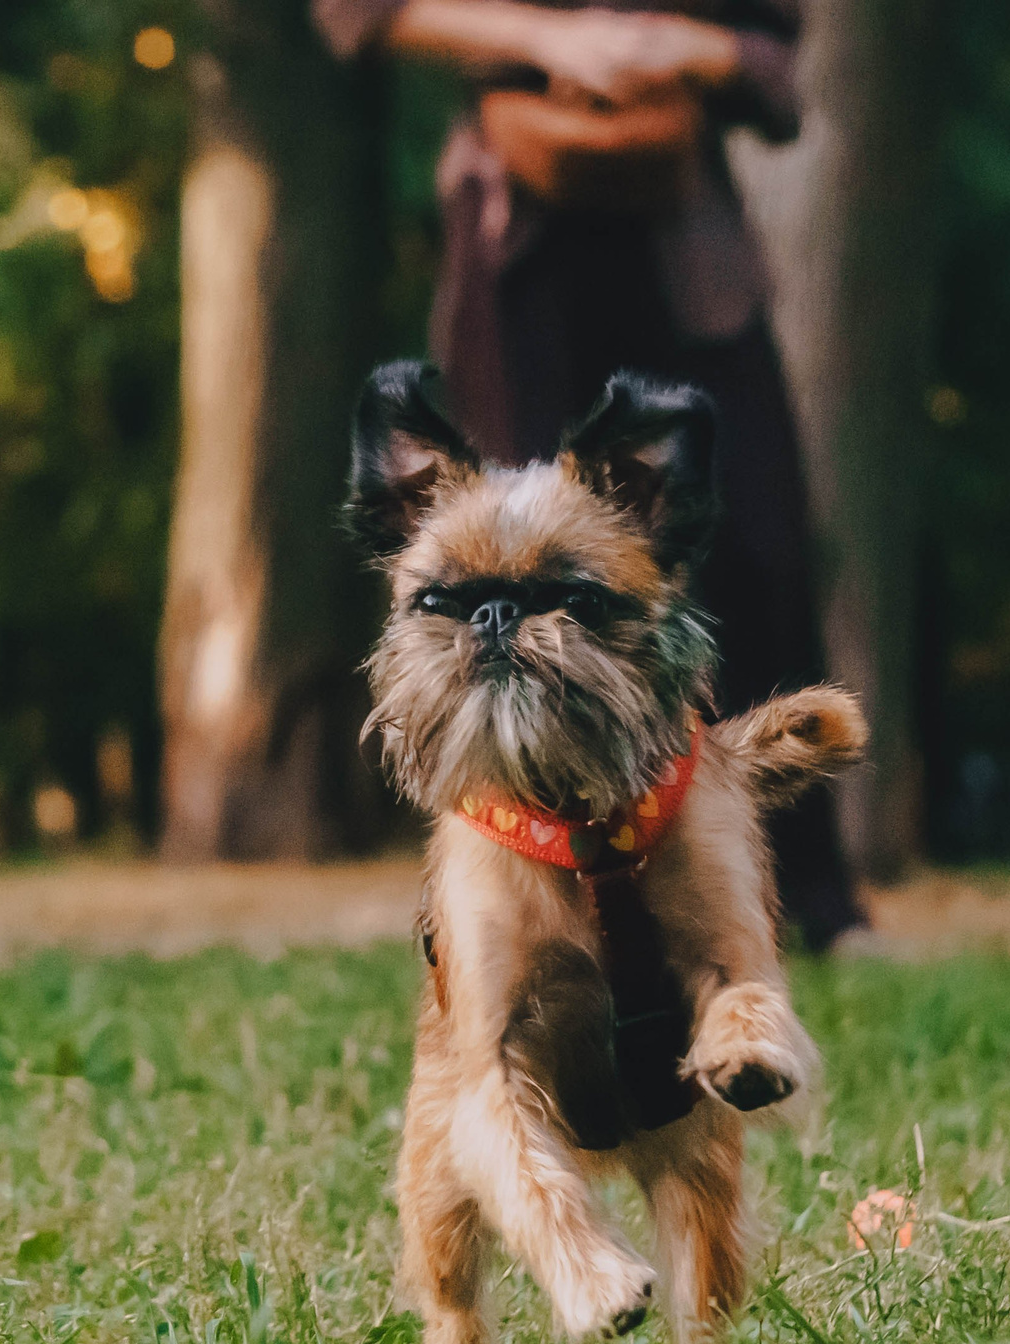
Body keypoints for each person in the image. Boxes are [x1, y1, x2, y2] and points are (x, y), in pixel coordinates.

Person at [316, 0, 866, 949]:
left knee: (764, 548)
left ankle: (811, 895)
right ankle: (533, 900)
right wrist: (547, 38)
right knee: (515, 576)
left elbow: (777, 69)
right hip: (519, 256)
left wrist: (677, 47)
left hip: (688, 246)